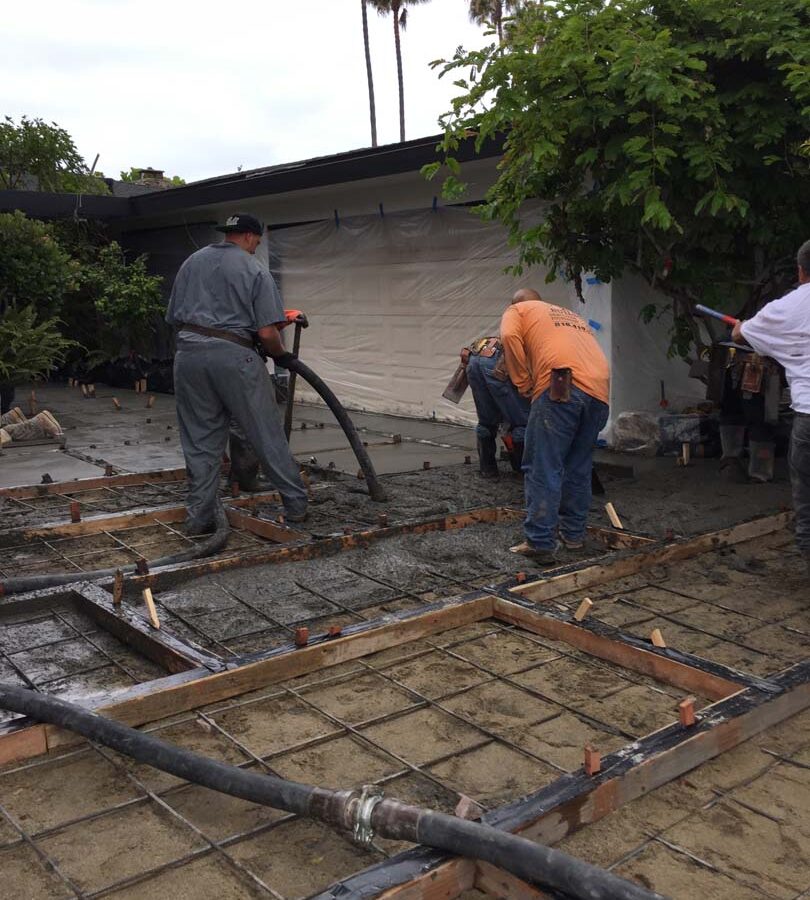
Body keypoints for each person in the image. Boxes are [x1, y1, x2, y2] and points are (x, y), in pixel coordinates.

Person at [166, 213, 308, 533]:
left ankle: (198, 518)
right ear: (248, 236)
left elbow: (175, 317)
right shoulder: (254, 269)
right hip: (234, 357)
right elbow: (268, 333)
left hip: (188, 358)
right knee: (265, 433)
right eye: (256, 241)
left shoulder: (191, 262)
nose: (256, 247)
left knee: (201, 442)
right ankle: (296, 504)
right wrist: (282, 357)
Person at [500, 288, 610, 563]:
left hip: (562, 385)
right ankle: (573, 536)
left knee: (543, 465)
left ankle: (540, 541)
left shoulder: (519, 310)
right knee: (578, 467)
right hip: (599, 391)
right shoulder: (569, 315)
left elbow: (509, 337)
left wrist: (523, 381)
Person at [732, 238, 810, 574]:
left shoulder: (788, 307)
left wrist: (740, 328)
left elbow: (742, 336)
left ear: (800, 270)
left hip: (809, 416)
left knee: (806, 490)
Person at [462, 336, 531, 477]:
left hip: (476, 354)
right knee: (522, 421)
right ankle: (522, 470)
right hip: (498, 358)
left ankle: (487, 469)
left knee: (487, 421)